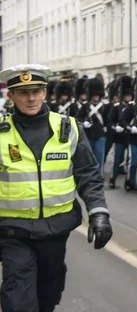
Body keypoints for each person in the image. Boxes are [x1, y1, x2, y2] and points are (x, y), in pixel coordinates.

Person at [0, 64, 113, 312]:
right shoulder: (1, 133)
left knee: (48, 297)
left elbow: (88, 175)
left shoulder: (68, 128)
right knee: (18, 301)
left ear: (45, 92)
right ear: (11, 96)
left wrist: (99, 213)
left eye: (36, 91)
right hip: (13, 234)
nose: (31, 98)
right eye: (23, 92)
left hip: (55, 231)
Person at [77, 77, 109, 175]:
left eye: (97, 95)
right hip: (88, 135)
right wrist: (83, 123)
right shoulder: (85, 106)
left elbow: (108, 121)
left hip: (100, 135)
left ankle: (99, 177)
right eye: (94, 95)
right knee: (88, 158)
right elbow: (78, 118)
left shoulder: (104, 107)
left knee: (99, 158)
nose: (96, 97)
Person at [109, 76, 133, 189]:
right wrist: (115, 127)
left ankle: (129, 181)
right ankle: (113, 178)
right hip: (119, 137)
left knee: (130, 161)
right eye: (126, 95)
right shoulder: (117, 107)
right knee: (118, 160)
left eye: (129, 95)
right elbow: (110, 122)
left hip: (131, 137)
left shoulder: (134, 107)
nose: (128, 97)